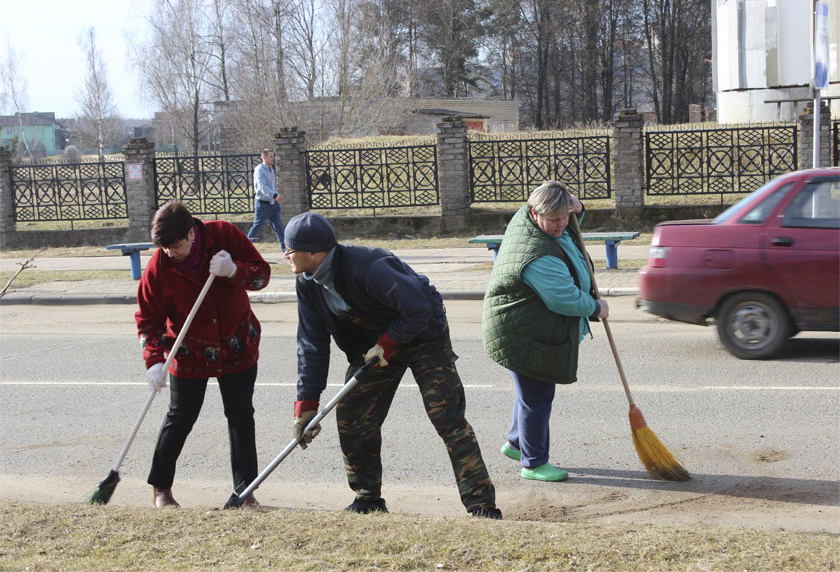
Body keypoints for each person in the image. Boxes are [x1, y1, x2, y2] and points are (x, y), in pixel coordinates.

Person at [284, 212, 501, 519]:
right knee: (353, 414)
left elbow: (418, 307)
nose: (285, 255)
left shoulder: (369, 267)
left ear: (314, 253)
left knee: (446, 416)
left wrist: (387, 343)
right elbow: (311, 345)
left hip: (423, 335)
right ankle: (367, 497)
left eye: (289, 250)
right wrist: (306, 404)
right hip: (373, 346)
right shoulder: (308, 283)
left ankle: (481, 503)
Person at [137, 200, 271, 508]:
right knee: (180, 417)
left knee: (240, 415)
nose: (173, 253)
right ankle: (161, 488)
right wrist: (154, 361)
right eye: (166, 248)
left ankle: (244, 490)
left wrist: (234, 270)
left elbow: (261, 275)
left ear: (192, 234)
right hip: (189, 350)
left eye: (178, 246)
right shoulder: (159, 267)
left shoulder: (223, 236)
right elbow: (148, 320)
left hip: (236, 342)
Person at [482, 180, 609, 482]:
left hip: (522, 324)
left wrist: (577, 207)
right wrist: (594, 307)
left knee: (529, 393)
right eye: (554, 219)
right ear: (535, 213)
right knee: (537, 397)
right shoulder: (539, 255)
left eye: (565, 216)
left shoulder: (527, 218)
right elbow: (563, 298)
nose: (562, 225)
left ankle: (516, 443)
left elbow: (566, 213)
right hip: (523, 333)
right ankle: (534, 462)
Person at [247, 148, 286, 247]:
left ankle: (285, 250)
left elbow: (271, 186)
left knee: (279, 227)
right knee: (257, 228)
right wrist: (275, 195)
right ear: (264, 157)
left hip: (273, 204)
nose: (273, 159)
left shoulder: (271, 169)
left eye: (273, 156)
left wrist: (275, 197)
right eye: (271, 156)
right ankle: (245, 247)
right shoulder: (259, 170)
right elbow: (262, 186)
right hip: (263, 205)